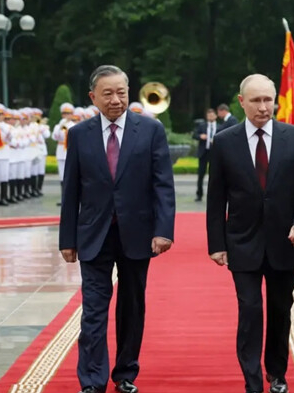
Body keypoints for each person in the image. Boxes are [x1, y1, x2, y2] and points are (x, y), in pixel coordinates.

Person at [59, 65, 176, 393]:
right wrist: (67, 238)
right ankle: (92, 380)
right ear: (93, 97)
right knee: (93, 309)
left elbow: (163, 185)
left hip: (137, 234)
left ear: (129, 91)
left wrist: (164, 230)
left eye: (121, 92)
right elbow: (72, 191)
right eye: (107, 93)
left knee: (131, 305)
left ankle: (125, 374)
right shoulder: (79, 135)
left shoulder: (150, 130)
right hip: (93, 235)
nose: (115, 99)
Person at [206, 74, 294, 393]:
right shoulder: (226, 141)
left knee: (280, 310)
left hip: (287, 241)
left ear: (276, 101)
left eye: (268, 100)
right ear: (241, 102)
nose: (263, 107)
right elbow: (216, 197)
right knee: (251, 309)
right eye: (255, 100)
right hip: (242, 242)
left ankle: (276, 374)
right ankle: (252, 379)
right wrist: (216, 244)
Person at [192, 108, 217, 201]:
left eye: (212, 115)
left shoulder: (219, 126)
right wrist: (200, 136)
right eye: (208, 115)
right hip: (203, 152)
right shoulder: (202, 126)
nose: (210, 117)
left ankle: (214, 195)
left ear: (215, 116)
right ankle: (199, 194)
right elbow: (194, 135)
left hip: (214, 153)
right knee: (201, 174)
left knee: (215, 175)